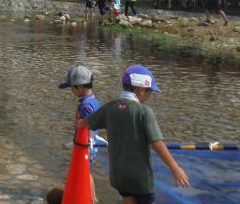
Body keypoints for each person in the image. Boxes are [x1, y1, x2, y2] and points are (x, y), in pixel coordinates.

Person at [78, 65, 189, 204]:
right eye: (150, 91)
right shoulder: (144, 112)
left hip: (118, 176)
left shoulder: (109, 108)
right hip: (140, 178)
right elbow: (157, 143)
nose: (149, 95)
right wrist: (175, 168)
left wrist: (81, 115)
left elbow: (84, 123)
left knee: (127, 199)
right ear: (141, 90)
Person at [59, 65, 101, 204]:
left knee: (84, 173)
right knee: (87, 172)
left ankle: (91, 199)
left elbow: (86, 129)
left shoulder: (86, 106)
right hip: (91, 144)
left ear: (80, 86)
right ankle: (92, 198)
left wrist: (79, 144)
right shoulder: (93, 102)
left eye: (72, 88)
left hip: (86, 146)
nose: (71, 91)